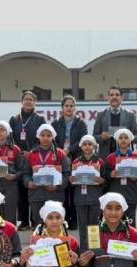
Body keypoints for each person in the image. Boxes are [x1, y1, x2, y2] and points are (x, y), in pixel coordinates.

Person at [9, 90, 46, 231]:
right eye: (26, 99)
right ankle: (24, 221)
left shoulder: (40, 119)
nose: (28, 101)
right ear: (22, 102)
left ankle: (35, 220)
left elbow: (43, 137)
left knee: (34, 187)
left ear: (35, 102)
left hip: (35, 157)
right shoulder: (14, 119)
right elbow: (10, 138)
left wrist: (31, 152)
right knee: (21, 190)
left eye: (31, 99)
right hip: (19, 158)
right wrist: (18, 152)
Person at [51, 95, 88, 230]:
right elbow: (52, 140)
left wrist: (69, 150)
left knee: (74, 189)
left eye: (71, 106)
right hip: (60, 159)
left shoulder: (81, 123)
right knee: (63, 189)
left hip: (76, 158)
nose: (69, 108)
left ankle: (74, 220)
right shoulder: (55, 123)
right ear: (62, 108)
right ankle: (64, 219)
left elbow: (83, 140)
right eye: (66, 105)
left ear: (75, 108)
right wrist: (61, 152)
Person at [22, 124, 71, 226]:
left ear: (53, 137)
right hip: (36, 195)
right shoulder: (32, 154)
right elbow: (26, 173)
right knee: (39, 225)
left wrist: (57, 187)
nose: (45, 138)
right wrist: (28, 183)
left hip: (55, 195)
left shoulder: (60, 154)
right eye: (43, 135)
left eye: (48, 135)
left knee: (55, 225)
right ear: (38, 137)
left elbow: (66, 174)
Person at [70, 135, 106, 248]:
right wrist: (71, 180)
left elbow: (106, 180)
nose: (87, 147)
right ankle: (83, 249)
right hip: (80, 199)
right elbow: (71, 183)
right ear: (81, 146)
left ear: (94, 146)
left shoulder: (100, 161)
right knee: (82, 225)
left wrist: (102, 180)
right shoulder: (76, 162)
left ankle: (95, 249)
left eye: (90, 144)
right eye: (84, 144)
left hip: (95, 198)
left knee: (94, 225)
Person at [105, 128, 137, 227]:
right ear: (117, 140)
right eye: (121, 138)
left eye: (126, 138)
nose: (123, 140)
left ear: (130, 140)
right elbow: (104, 176)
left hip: (131, 194)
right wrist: (110, 174)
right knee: (115, 222)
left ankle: (131, 237)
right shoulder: (110, 157)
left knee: (130, 222)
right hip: (115, 194)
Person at [93, 85, 137, 161]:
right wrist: (101, 137)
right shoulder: (101, 115)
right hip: (105, 158)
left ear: (122, 98)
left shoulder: (130, 115)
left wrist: (128, 138)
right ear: (108, 98)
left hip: (125, 158)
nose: (114, 97)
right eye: (111, 95)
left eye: (117, 95)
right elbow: (94, 137)